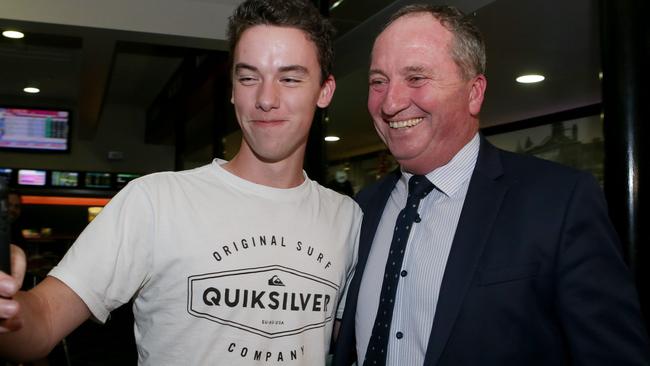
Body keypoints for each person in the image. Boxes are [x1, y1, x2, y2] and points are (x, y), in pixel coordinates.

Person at [0, 0, 362, 364]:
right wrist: (8, 305)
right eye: (248, 77)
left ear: (324, 91)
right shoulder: (155, 201)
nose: (266, 99)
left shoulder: (346, 218)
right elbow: (42, 323)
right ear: (233, 89)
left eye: (290, 78)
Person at [333, 4, 650, 366]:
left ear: (474, 93)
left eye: (416, 78)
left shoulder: (558, 203)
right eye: (378, 82)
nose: (390, 102)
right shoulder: (363, 208)